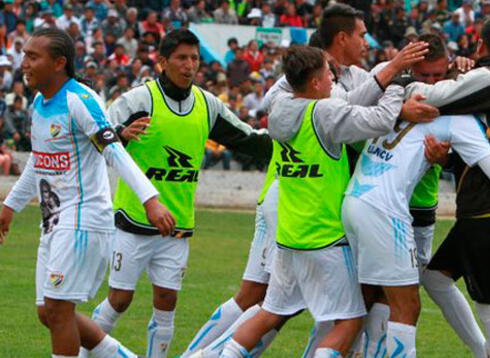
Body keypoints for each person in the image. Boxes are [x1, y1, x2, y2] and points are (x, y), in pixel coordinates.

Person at [182, 6, 431, 357]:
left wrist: (389, 77)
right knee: (338, 314)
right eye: (361, 34)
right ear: (339, 41)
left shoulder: (288, 105)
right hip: (315, 222)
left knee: (272, 307)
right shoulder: (321, 103)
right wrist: (396, 83)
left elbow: (345, 103)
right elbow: (362, 115)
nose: (365, 41)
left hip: (290, 222)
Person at [82, 30, 271, 358]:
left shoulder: (207, 104)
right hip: (133, 220)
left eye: (195, 58)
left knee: (167, 303)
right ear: (163, 60)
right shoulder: (137, 100)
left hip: (178, 225)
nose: (189, 65)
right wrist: (122, 137)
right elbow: (96, 140)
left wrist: (292, 141)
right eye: (182, 58)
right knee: (119, 301)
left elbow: (247, 138)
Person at [219, 43, 406, 358]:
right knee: (350, 321)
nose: (333, 80)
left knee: (269, 312)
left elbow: (285, 87)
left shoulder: (279, 109)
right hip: (325, 236)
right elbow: (380, 120)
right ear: (316, 82)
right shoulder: (324, 111)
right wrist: (398, 84)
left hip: (288, 236)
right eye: (328, 75)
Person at [0, 27, 175, 358]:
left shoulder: (79, 100)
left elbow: (114, 151)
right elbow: (39, 161)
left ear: (59, 63)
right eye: (24, 55)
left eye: (32, 56)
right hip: (54, 221)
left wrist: (150, 200)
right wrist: (10, 207)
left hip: (83, 218)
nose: (24, 63)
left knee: (57, 309)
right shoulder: (39, 104)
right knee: (47, 313)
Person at [405, 13, 490, 357]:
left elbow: (436, 96)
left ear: (481, 44)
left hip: (489, 207)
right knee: (436, 277)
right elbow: (483, 146)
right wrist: (446, 160)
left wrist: (403, 84)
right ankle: (482, 351)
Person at [365, 33, 487, 358]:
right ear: (410, 69)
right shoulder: (392, 87)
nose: (431, 83)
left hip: (418, 209)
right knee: (385, 292)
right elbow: (359, 116)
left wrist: (445, 160)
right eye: (424, 76)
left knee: (401, 291)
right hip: (380, 202)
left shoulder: (457, 88)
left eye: (437, 75)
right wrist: (399, 111)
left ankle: (483, 350)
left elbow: (468, 152)